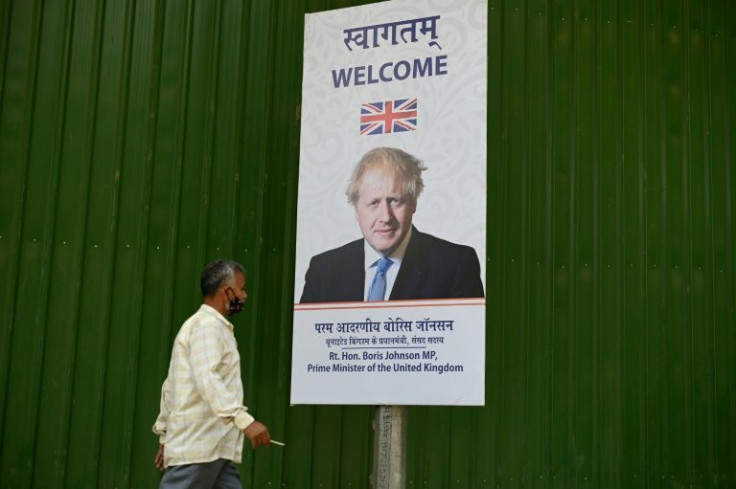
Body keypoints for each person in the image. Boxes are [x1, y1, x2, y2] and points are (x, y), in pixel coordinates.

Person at [300, 147, 484, 303]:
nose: (385, 217)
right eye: (373, 203)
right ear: (356, 210)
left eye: (395, 201)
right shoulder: (323, 270)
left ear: (413, 204)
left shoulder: (456, 265)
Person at [153, 259, 271, 489]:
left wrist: (165, 435)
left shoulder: (204, 326)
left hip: (215, 450)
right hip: (199, 448)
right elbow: (208, 380)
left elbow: (171, 386)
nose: (244, 295)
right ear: (227, 291)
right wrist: (244, 421)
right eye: (241, 288)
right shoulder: (208, 328)